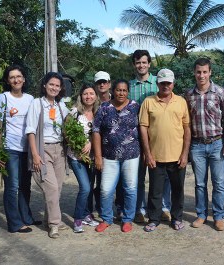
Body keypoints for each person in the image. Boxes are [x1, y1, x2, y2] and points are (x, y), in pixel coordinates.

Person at [185, 58, 224, 231]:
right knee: (200, 183)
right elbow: (187, 122)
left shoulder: (220, 92)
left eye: (205, 72)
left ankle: (218, 216)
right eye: (198, 72)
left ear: (210, 72)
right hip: (197, 145)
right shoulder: (189, 95)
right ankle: (201, 215)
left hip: (217, 143)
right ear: (194, 72)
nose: (201, 75)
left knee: (219, 182)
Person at [139, 68, 191, 232]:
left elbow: (187, 128)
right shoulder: (148, 102)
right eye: (162, 83)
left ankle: (177, 218)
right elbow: (143, 129)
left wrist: (185, 154)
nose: (165, 86)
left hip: (177, 157)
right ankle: (154, 219)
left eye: (168, 83)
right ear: (157, 83)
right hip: (156, 156)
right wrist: (148, 154)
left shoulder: (181, 101)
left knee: (178, 190)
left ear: (173, 83)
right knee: (155, 191)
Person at [0, 64, 40, 233]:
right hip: (10, 148)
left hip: (27, 148)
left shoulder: (30, 99)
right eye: (12, 77)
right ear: (7, 80)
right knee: (12, 186)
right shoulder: (3, 98)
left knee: (25, 185)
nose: (16, 79)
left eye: (18, 76)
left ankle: (26, 217)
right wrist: (1, 151)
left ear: (24, 79)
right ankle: (14, 223)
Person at [129, 49, 172, 223]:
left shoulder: (158, 82)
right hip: (135, 138)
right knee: (137, 176)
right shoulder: (129, 86)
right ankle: (139, 209)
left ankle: (164, 207)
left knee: (162, 176)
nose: (141, 65)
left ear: (149, 64)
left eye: (144, 62)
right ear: (134, 65)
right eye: (138, 62)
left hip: (157, 137)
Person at [92, 79, 140, 233]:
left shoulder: (135, 107)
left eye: (124, 90)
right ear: (113, 90)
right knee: (106, 190)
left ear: (128, 92)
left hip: (131, 155)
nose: (121, 93)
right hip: (109, 156)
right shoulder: (104, 108)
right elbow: (96, 131)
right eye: (119, 90)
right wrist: (98, 156)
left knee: (130, 189)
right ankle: (106, 219)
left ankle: (127, 220)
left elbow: (144, 128)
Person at [26, 72, 69, 239]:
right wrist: (35, 155)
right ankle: (54, 224)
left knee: (56, 189)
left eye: (57, 85)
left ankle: (48, 219)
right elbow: (30, 131)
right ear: (44, 85)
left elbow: (71, 124)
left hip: (60, 150)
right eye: (51, 84)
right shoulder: (36, 104)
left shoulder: (61, 106)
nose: (54, 88)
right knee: (50, 187)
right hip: (42, 148)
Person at [67, 84, 100, 233]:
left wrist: (91, 143)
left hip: (92, 157)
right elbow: (66, 133)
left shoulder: (99, 112)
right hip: (76, 156)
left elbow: (102, 133)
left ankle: (87, 214)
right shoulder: (74, 112)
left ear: (96, 96)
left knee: (90, 186)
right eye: (85, 94)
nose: (88, 96)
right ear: (81, 96)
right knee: (85, 187)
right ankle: (78, 219)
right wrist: (77, 146)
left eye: (91, 93)